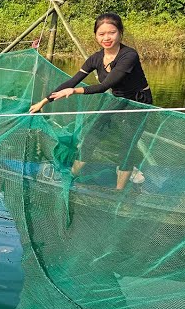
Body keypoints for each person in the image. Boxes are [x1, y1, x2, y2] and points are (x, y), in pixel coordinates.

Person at [28, 12, 153, 190]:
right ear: (96, 36)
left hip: (138, 102)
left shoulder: (129, 55)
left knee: (127, 144)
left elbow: (105, 86)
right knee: (91, 136)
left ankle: (118, 192)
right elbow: (71, 81)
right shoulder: (96, 58)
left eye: (112, 33)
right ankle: (71, 177)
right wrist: (43, 102)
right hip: (118, 99)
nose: (107, 38)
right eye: (101, 34)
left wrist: (75, 91)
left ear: (120, 33)